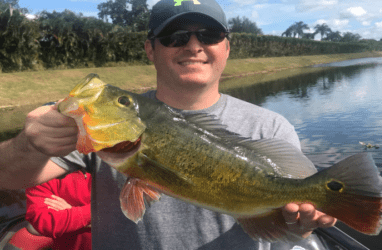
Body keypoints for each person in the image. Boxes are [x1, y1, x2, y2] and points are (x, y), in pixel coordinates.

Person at [0, 0, 336, 249]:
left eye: (209, 34)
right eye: (175, 37)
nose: (193, 45)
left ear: (227, 47)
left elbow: (291, 228)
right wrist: (27, 145)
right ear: (150, 49)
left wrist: (304, 220)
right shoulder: (93, 128)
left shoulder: (271, 127)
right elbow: (7, 176)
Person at [25, 169, 92, 250]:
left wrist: (72, 213)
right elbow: (46, 223)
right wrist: (96, 214)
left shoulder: (108, 169)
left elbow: (112, 217)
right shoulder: (43, 175)